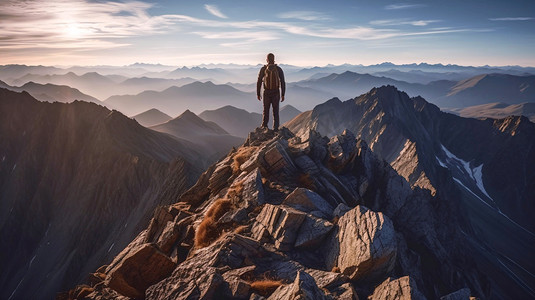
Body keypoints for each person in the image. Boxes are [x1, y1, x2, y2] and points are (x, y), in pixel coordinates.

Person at [257, 53, 285, 131]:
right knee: (275, 111)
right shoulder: (278, 69)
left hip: (266, 92)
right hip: (276, 92)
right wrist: (283, 94)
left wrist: (258, 93)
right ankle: (275, 128)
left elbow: (259, 81)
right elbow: (282, 81)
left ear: (267, 59)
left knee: (266, 110)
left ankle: (264, 126)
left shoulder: (263, 69)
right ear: (274, 59)